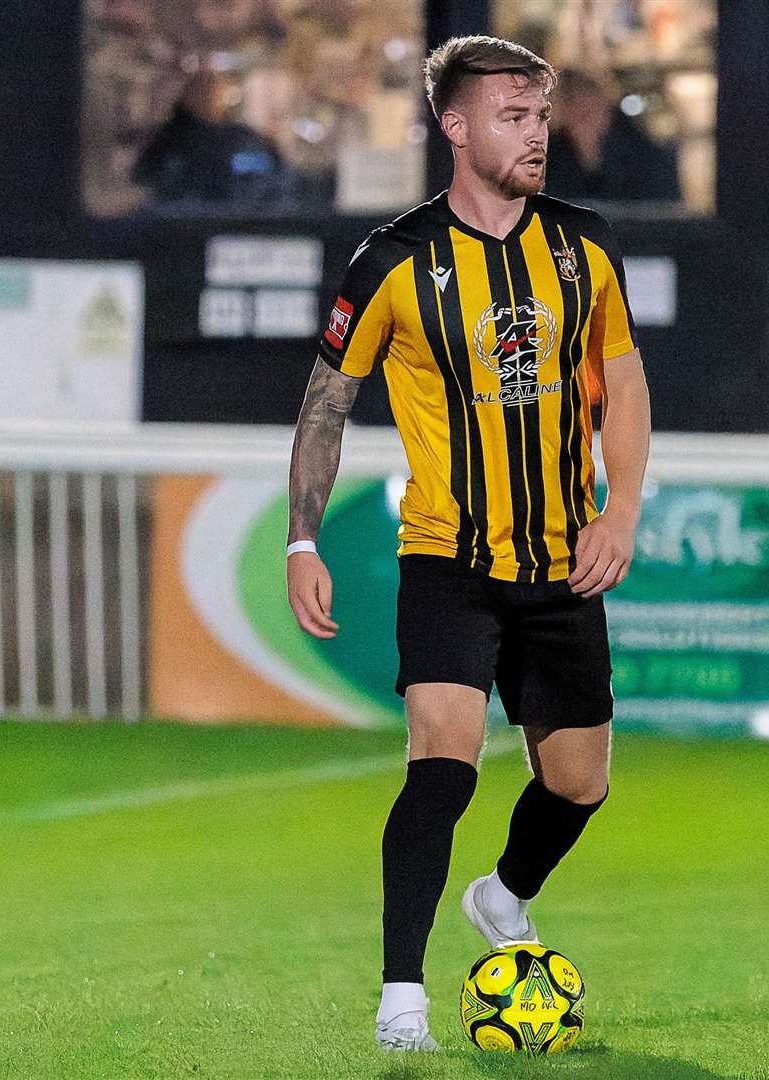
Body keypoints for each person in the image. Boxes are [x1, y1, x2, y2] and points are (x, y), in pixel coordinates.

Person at [285, 35, 652, 1052]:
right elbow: (328, 400)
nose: (534, 135)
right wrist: (300, 540)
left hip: (559, 559)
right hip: (447, 557)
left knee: (579, 782)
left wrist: (618, 513)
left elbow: (622, 382)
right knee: (442, 758)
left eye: (540, 117)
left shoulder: (582, 244)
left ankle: (503, 893)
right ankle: (401, 995)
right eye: (511, 117)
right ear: (455, 127)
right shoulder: (394, 259)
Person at [131, 70, 284, 204]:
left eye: (213, 89)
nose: (210, 95)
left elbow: (269, 171)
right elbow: (144, 178)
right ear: (187, 95)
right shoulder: (169, 139)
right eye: (200, 90)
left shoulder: (241, 137)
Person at [544, 68, 681, 203]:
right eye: (571, 101)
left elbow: (659, 208)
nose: (580, 109)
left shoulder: (644, 154)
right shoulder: (549, 155)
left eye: (587, 97)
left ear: (604, 102)